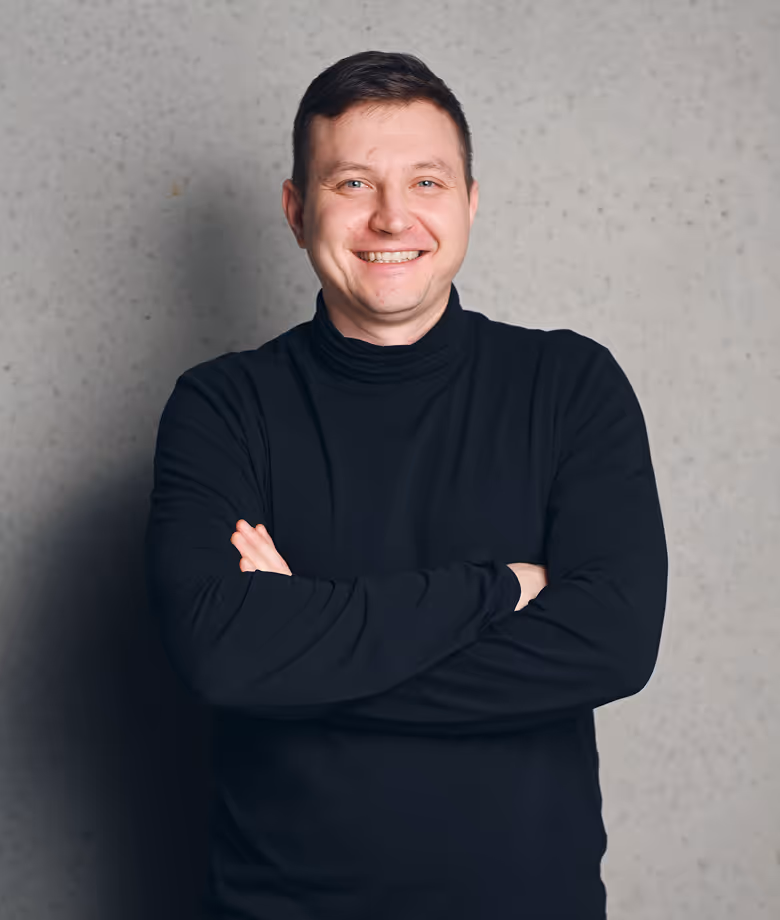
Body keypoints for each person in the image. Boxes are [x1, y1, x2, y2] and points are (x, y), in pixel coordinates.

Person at [144, 49, 668, 920]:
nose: (393, 217)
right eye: (352, 183)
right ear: (296, 209)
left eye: (426, 182)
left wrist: (305, 653)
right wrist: (496, 590)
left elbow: (614, 643)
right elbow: (222, 655)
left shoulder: (570, 384)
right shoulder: (222, 406)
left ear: (470, 202)